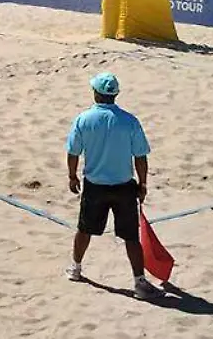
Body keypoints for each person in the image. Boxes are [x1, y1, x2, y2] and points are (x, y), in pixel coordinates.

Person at [65, 72, 162, 299]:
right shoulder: (129, 121)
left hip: (95, 185)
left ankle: (76, 269)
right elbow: (140, 157)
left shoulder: (84, 119)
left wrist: (72, 176)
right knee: (130, 237)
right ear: (115, 94)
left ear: (96, 93)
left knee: (84, 229)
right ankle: (139, 281)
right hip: (123, 187)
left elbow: (73, 152)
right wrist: (143, 183)